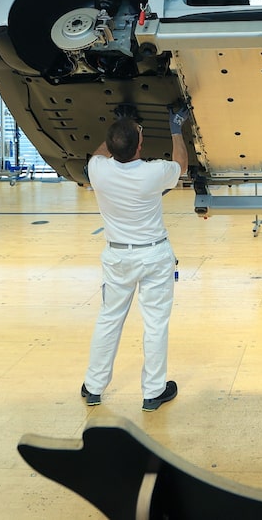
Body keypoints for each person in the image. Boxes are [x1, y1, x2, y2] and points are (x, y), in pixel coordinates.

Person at [80, 105, 190, 412]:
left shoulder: (97, 170)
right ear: (140, 146)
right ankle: (153, 392)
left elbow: (99, 154)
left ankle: (93, 387)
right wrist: (176, 129)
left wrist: (119, 124)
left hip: (117, 257)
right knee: (155, 323)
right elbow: (181, 164)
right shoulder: (153, 172)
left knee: (108, 320)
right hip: (154, 255)